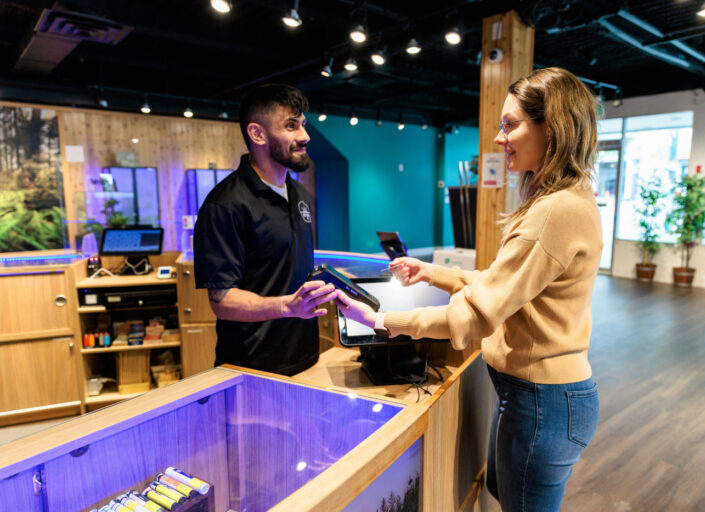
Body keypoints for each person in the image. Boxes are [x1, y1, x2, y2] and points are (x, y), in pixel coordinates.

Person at [335, 67, 601, 511]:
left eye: (510, 125)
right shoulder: (570, 199)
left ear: (551, 129)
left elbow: (474, 315)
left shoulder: (554, 212)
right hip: (539, 399)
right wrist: (431, 272)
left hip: (541, 403)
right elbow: (504, 284)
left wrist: (381, 321)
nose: (499, 139)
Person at [194, 84, 338, 376]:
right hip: (251, 367)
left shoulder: (299, 193)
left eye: (303, 125)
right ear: (257, 134)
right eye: (291, 126)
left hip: (306, 358)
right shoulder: (225, 204)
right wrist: (287, 306)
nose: (305, 136)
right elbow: (222, 300)